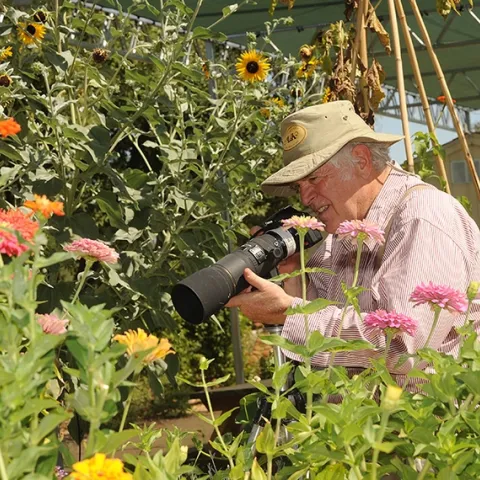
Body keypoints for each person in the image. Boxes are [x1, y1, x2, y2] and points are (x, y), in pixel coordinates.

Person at [226, 100, 480, 388]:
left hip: (426, 427)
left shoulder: (421, 215)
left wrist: (290, 313)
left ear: (361, 160)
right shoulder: (342, 233)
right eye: (299, 187)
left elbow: (403, 349)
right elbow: (329, 350)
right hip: (368, 428)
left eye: (313, 179)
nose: (305, 198)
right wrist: (291, 273)